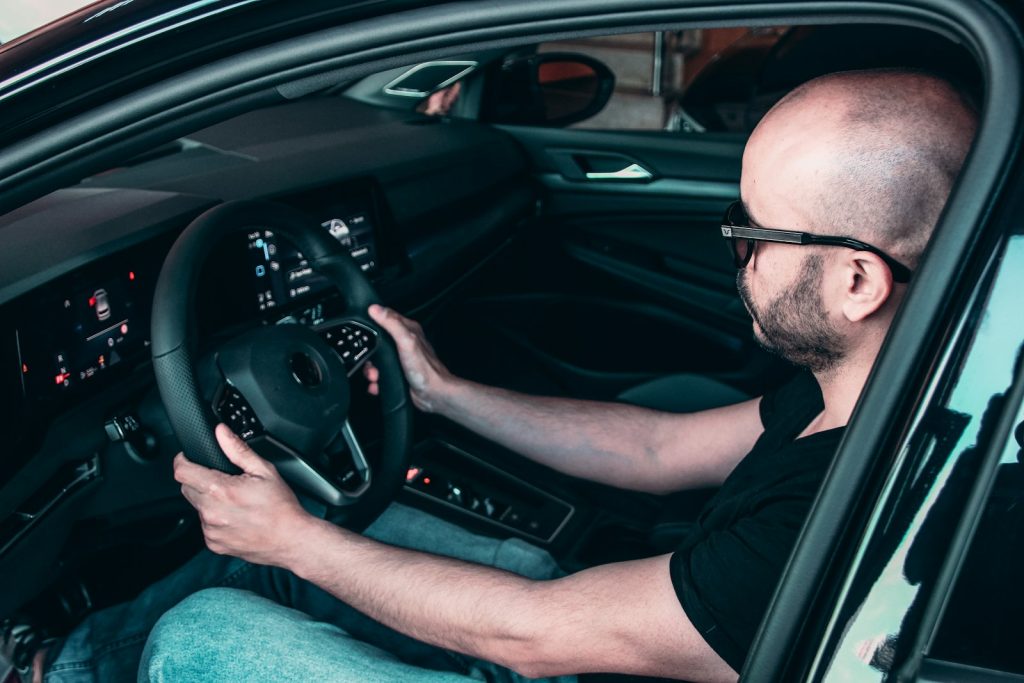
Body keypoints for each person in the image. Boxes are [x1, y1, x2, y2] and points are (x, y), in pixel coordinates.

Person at [12, 68, 976, 683]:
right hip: (610, 638)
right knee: (267, 548)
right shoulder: (875, 388)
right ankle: (55, 666)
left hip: (575, 647)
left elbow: (536, 634)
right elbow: (658, 445)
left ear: (857, 280)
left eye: (756, 234)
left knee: (206, 632)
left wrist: (298, 538)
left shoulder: (847, 519)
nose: (738, 253)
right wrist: (445, 390)